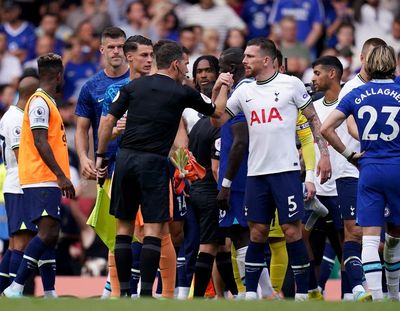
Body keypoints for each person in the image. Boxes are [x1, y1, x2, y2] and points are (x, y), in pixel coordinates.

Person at [96, 40, 233, 297]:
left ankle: (124, 292)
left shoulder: (132, 87)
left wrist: (101, 157)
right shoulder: (182, 92)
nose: (187, 70)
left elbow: (107, 123)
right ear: (175, 65)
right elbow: (217, 114)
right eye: (185, 64)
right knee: (154, 231)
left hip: (125, 161)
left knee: (123, 230)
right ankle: (147, 293)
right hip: (154, 163)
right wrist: (223, 86)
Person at [211, 37, 331, 301]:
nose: (244, 62)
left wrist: (323, 156)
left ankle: (302, 294)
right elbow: (217, 120)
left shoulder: (291, 84)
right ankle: (252, 293)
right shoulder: (243, 91)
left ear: (266, 59)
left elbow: (313, 120)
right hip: (256, 174)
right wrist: (219, 89)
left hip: (285, 172)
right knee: (257, 232)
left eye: (249, 57)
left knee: (292, 232)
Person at [321, 44, 400, 302]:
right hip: (397, 166)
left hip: (369, 167)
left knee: (367, 237)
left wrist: (349, 155)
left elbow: (326, 129)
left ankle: (376, 298)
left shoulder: (356, 93)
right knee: (395, 236)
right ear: (393, 64)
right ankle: (395, 294)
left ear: (367, 63)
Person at [4, 53, 75, 297]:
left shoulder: (46, 102)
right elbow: (40, 141)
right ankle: (16, 286)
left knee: (49, 234)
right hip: (40, 176)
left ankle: (49, 292)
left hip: (45, 177)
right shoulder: (39, 102)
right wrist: (60, 175)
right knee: (47, 233)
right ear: (58, 76)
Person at [74, 27, 129, 297]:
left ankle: (114, 287)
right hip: (106, 167)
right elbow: (82, 129)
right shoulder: (91, 87)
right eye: (112, 47)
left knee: (136, 227)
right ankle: (114, 285)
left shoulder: (138, 80)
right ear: (102, 50)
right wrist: (84, 157)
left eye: (121, 46)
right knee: (113, 230)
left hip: (137, 162)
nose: (117, 51)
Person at [333, 37, 386, 301]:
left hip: (380, 167)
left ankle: (385, 290)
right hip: (352, 167)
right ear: (363, 59)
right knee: (354, 231)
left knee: (385, 237)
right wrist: (371, 144)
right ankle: (357, 290)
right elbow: (350, 124)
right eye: (372, 57)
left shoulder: (390, 87)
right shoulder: (351, 89)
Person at [0, 75, 39, 294]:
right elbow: (21, 155)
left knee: (15, 245)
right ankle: (16, 293)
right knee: (21, 244)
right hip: (20, 185)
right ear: (31, 96)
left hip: (16, 184)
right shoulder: (16, 119)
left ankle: (4, 291)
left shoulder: (12, 115)